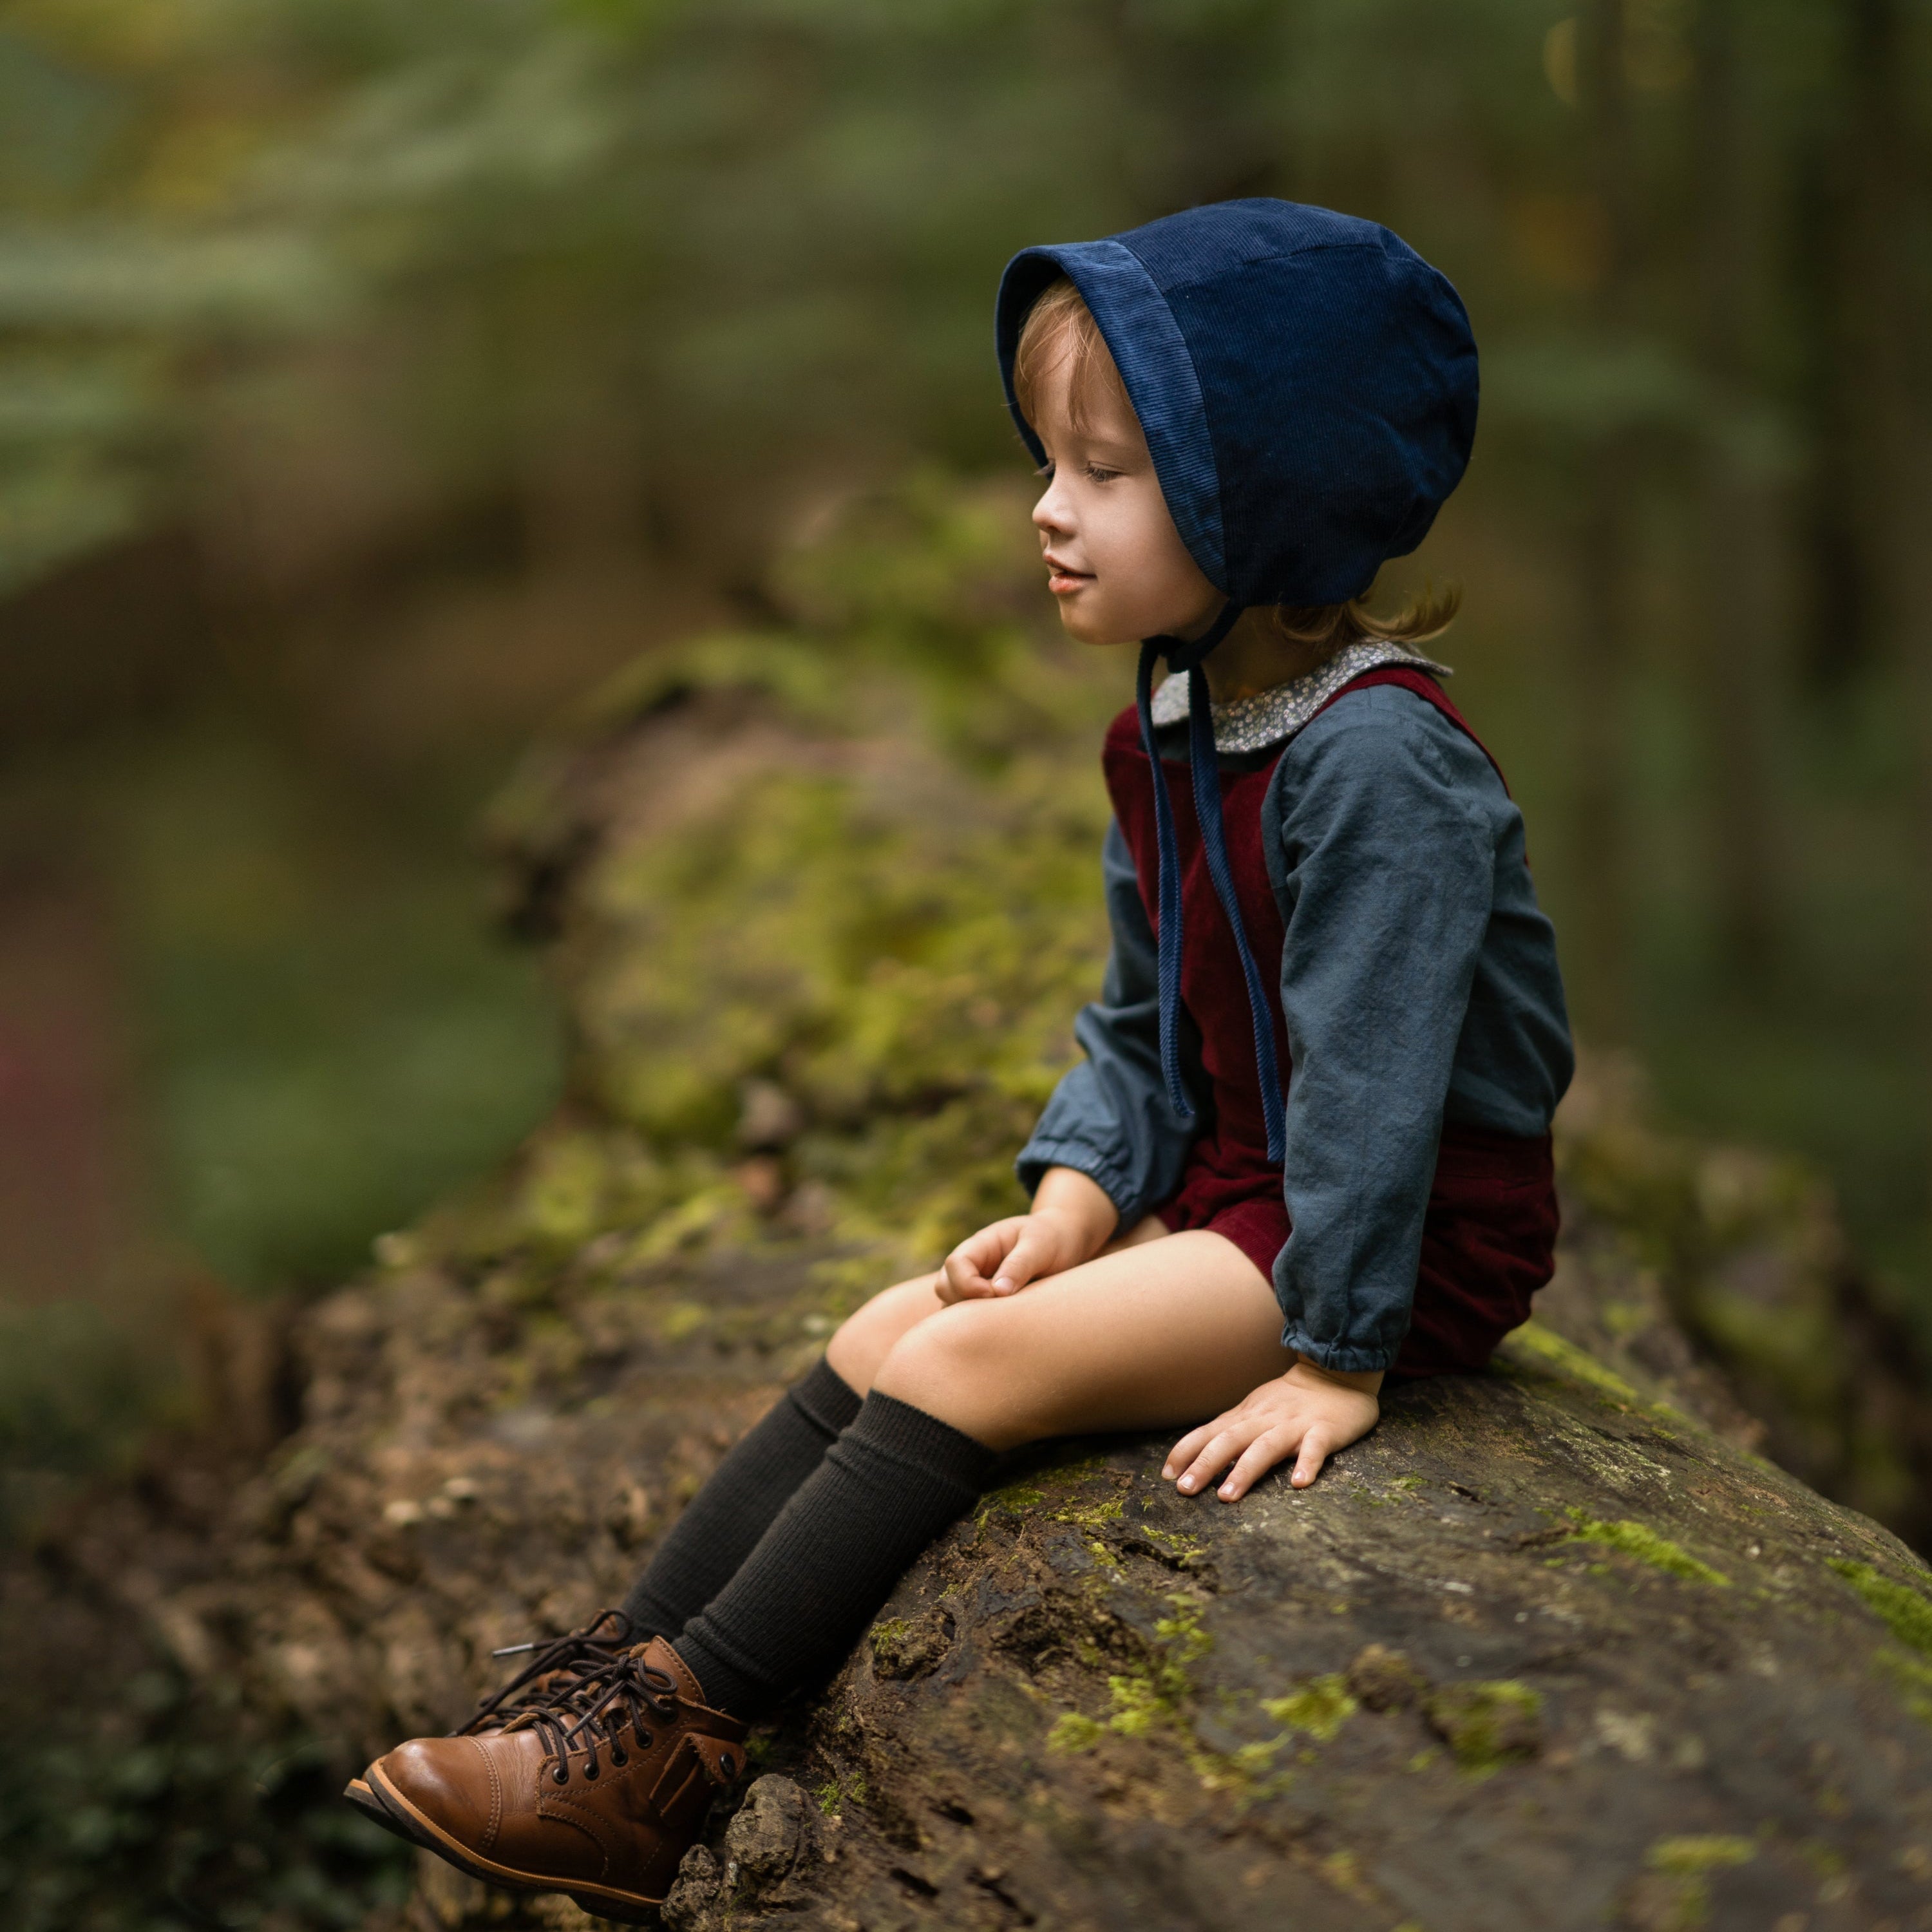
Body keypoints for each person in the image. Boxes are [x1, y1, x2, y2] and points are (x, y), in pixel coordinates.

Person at [346, 198, 1573, 1922]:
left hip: (1396, 1239)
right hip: (1249, 1201)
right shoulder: (1172, 727)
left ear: (1265, 499)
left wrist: (1337, 1359)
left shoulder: (1376, 767)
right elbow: (1143, 1018)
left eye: (1107, 473)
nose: (1046, 509)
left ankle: (666, 1769)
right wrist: (1081, 1197)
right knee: (882, 1332)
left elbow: (1377, 1092)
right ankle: (600, 1698)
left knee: (968, 1369)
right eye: (1049, 463)